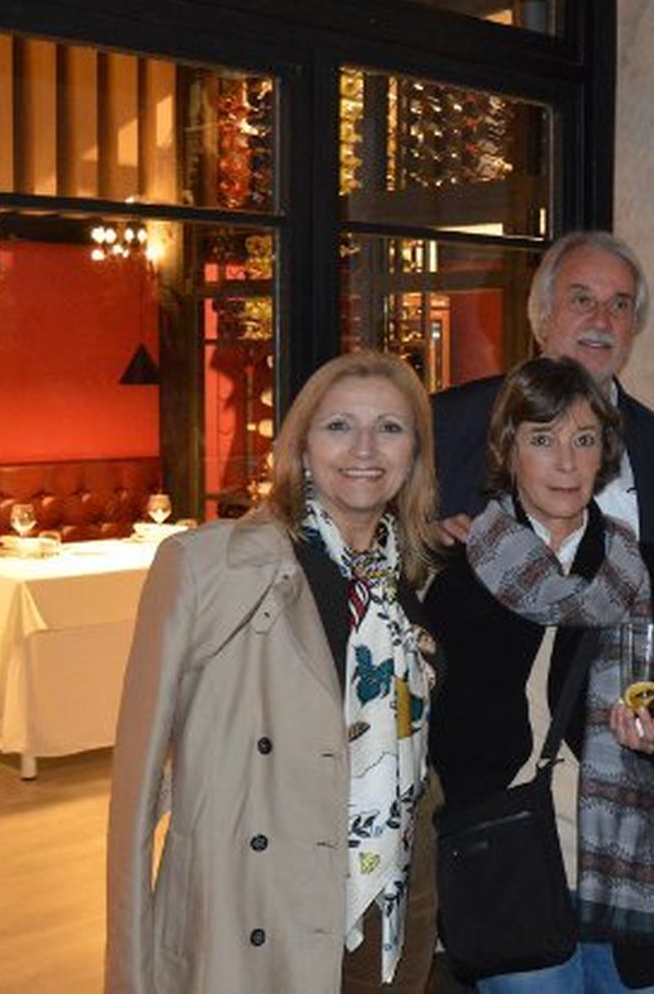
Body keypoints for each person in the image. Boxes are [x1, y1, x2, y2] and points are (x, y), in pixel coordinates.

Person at [106, 351, 444, 993]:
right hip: (264, 907)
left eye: (390, 428)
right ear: (301, 444)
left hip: (390, 904)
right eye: (339, 426)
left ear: (416, 453)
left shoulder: (412, 576)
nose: (364, 448)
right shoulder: (208, 568)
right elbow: (137, 785)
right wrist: (131, 973)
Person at [424, 356, 654, 992]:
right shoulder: (460, 582)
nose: (566, 463)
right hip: (513, 873)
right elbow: (442, 741)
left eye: (584, 439)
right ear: (507, 451)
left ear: (607, 453)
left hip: (629, 878)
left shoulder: (650, 572)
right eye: (542, 440)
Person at [433, 231, 654, 546]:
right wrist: (424, 545)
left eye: (620, 305)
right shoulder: (449, 422)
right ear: (544, 313)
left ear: (635, 325)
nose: (602, 322)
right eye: (582, 300)